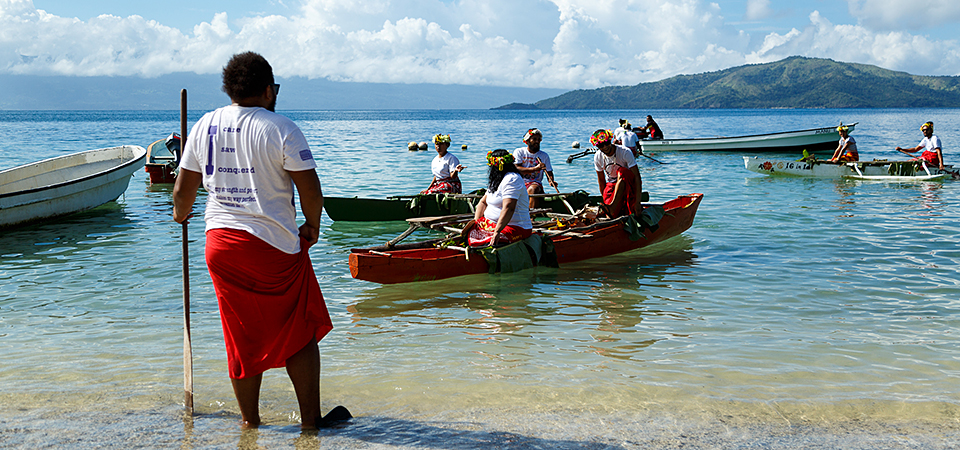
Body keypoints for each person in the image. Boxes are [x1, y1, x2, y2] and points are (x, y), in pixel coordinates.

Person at [172, 51, 348, 430]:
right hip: (273, 247)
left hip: (220, 246)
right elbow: (311, 192)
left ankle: (250, 422)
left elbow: (182, 194)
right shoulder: (282, 128)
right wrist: (312, 226)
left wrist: (179, 215)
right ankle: (309, 422)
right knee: (298, 329)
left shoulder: (205, 125)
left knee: (241, 334)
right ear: (269, 90)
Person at [467, 149, 533, 246]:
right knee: (469, 234)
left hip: (515, 227)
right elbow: (483, 202)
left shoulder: (512, 179)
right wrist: (477, 222)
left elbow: (509, 208)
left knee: (490, 243)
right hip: (489, 224)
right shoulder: (496, 180)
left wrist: (497, 231)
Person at [592, 129, 643, 217]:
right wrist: (606, 200)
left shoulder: (625, 152)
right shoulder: (598, 156)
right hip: (611, 185)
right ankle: (611, 208)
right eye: (600, 145)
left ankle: (612, 207)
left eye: (607, 143)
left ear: (611, 141)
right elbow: (601, 180)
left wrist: (637, 202)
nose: (605, 147)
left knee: (622, 171)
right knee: (612, 214)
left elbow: (637, 177)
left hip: (628, 183)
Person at [512, 128, 558, 209]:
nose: (537, 141)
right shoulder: (519, 152)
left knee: (533, 189)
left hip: (535, 183)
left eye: (539, 139)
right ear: (528, 141)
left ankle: (532, 215)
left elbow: (549, 172)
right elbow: (516, 168)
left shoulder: (544, 155)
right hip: (519, 182)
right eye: (534, 139)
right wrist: (535, 169)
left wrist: (551, 181)